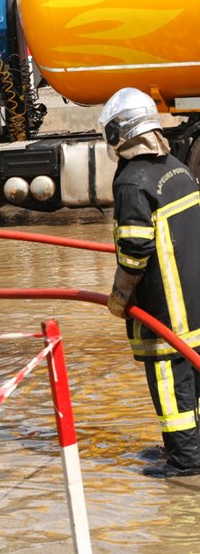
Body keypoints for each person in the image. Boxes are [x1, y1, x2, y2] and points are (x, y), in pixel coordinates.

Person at [100, 87, 200, 478]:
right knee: (193, 379)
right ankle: (191, 446)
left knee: (169, 381)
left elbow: (134, 249)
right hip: (196, 298)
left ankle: (185, 460)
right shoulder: (176, 167)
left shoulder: (132, 181)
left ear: (118, 133)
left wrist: (120, 295)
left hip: (166, 308)